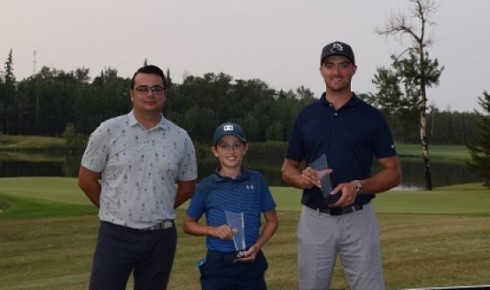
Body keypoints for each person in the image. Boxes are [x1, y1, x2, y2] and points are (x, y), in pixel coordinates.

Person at [281, 41, 402, 290]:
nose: (336, 72)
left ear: (354, 69)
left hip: (359, 219)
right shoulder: (307, 116)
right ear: (321, 70)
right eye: (330, 65)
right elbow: (287, 169)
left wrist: (358, 186)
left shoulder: (371, 117)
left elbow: (394, 173)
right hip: (315, 220)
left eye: (343, 65)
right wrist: (301, 179)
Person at [78, 64, 197, 290]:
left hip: (160, 239)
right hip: (115, 235)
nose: (150, 94)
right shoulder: (108, 130)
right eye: (142, 89)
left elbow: (188, 186)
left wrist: (157, 206)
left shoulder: (180, 137)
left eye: (156, 89)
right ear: (132, 94)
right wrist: (111, 208)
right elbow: (86, 179)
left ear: (164, 94)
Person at [183, 122, 279, 290]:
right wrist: (212, 230)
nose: (231, 151)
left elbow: (272, 221)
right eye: (224, 146)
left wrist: (257, 245)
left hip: (250, 263)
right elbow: (188, 224)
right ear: (215, 151)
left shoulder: (257, 181)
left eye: (236, 145)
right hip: (218, 265)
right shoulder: (206, 186)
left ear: (245, 148)